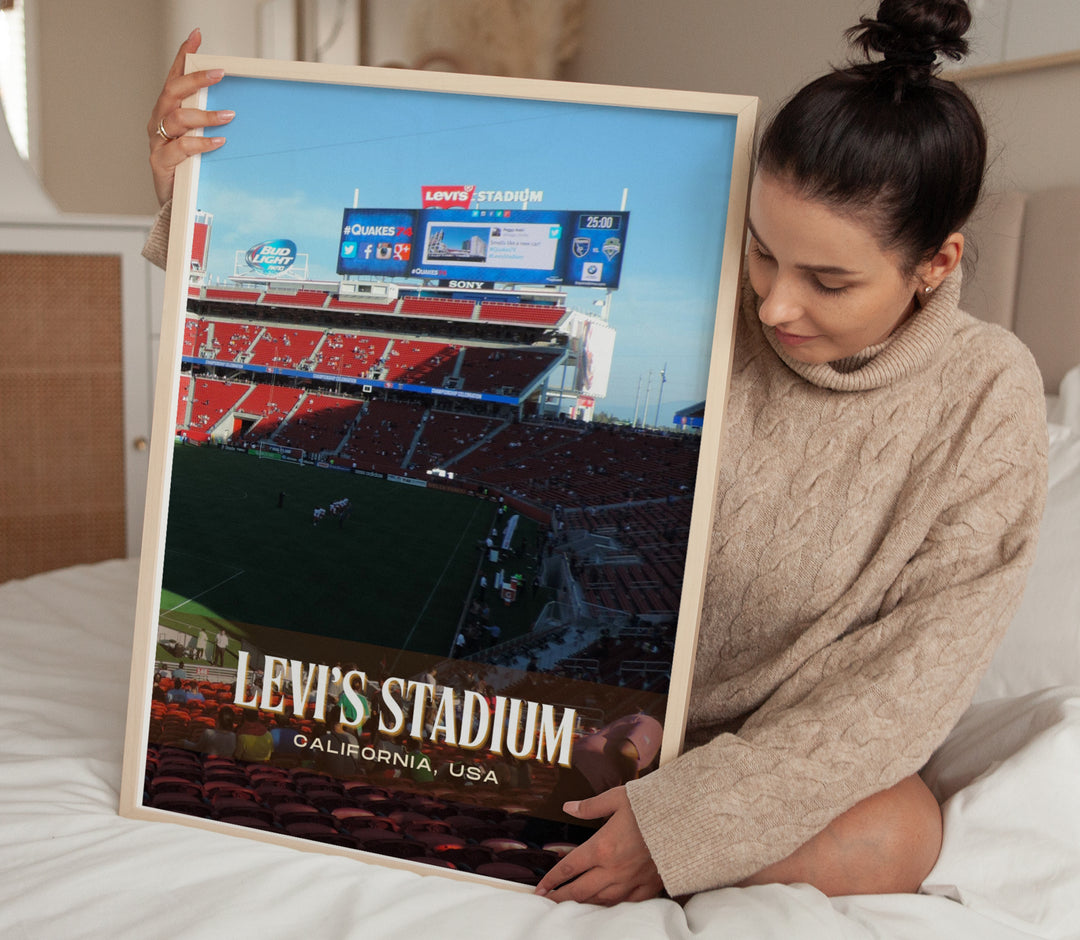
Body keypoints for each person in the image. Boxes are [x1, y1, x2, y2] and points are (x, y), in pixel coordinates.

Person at [144, 0, 1047, 905]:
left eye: (829, 280)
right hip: (614, 720)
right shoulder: (712, 313)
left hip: (771, 753)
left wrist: (691, 822)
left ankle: (603, 840)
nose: (773, 306)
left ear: (936, 263)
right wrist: (186, 198)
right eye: (764, 255)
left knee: (900, 833)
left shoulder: (985, 396)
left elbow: (908, 687)